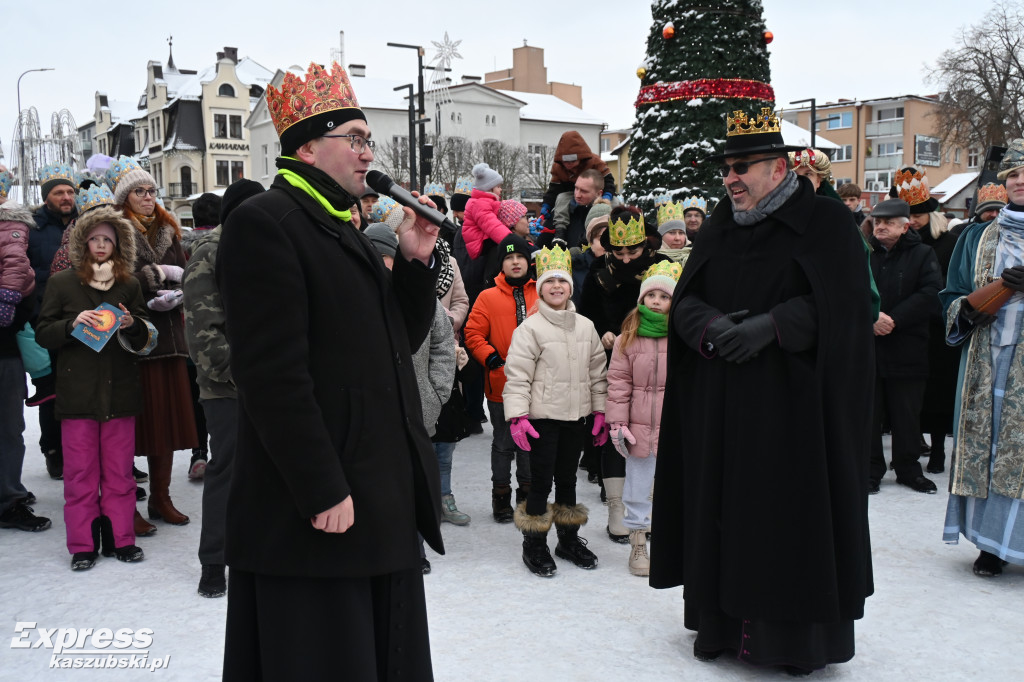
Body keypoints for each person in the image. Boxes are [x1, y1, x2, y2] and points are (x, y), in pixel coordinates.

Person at [216, 62, 444, 680]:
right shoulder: (267, 223)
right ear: (309, 148)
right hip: (317, 510)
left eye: (371, 140)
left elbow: (394, 345)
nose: (369, 153)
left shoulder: (342, 225)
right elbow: (271, 376)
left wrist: (417, 262)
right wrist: (321, 486)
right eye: (357, 138)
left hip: (374, 494)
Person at [651, 108, 874, 675]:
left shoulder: (826, 223)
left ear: (778, 168)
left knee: (786, 523)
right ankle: (722, 629)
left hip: (793, 417)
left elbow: (844, 307)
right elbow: (687, 298)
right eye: (726, 167)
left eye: (742, 166)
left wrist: (771, 328)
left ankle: (790, 643)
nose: (730, 177)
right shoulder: (721, 226)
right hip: (722, 411)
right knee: (724, 515)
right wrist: (707, 328)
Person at [35, 188, 156, 570]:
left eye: (108, 239)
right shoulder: (62, 284)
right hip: (78, 397)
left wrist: (132, 323)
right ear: (82, 243)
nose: (101, 245)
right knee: (81, 475)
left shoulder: (129, 285)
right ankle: (82, 545)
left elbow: (144, 336)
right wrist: (71, 325)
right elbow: (43, 333)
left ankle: (122, 539)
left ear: (117, 245)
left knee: (120, 475)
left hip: (119, 393)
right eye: (94, 239)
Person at [940, 138, 1024, 578]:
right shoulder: (977, 235)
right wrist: (969, 308)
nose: (1020, 181)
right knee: (987, 448)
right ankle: (990, 546)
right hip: (986, 359)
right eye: (1013, 175)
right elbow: (951, 296)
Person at [105, 156, 197, 537]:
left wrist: (178, 292)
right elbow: (109, 277)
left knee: (170, 423)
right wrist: (153, 278)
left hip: (170, 340)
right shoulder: (113, 230)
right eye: (139, 191)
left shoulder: (168, 229)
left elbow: (185, 271)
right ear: (125, 197)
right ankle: (125, 504)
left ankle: (161, 497)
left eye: (151, 190)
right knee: (134, 428)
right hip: (134, 340)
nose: (148, 197)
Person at [502, 245, 608, 577]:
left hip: (576, 418)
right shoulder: (530, 329)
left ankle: (568, 539)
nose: (557, 287)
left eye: (562, 282)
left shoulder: (585, 327)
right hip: (543, 420)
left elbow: (597, 373)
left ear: (570, 288)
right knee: (541, 482)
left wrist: (600, 411)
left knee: (567, 481)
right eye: (550, 282)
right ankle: (534, 543)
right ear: (540, 287)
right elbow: (517, 375)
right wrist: (517, 415)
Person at [182, 178, 265, 598]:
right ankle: (214, 560)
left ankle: (264, 553)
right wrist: (241, 373)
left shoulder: (268, 246)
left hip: (271, 382)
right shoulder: (210, 251)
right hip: (226, 386)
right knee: (227, 469)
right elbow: (203, 331)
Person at [579, 205, 672, 542]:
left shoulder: (663, 269)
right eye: (619, 251)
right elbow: (585, 311)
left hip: (658, 361)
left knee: (657, 434)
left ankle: (651, 505)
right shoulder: (598, 272)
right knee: (614, 430)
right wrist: (602, 329)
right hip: (613, 360)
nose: (627, 258)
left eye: (633, 251)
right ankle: (617, 505)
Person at [606, 261, 681, 576]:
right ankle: (638, 541)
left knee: (674, 486)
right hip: (637, 427)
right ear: (641, 299)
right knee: (637, 484)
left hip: (673, 426)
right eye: (651, 295)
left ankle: (673, 545)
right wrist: (618, 423)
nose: (656, 301)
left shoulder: (681, 338)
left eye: (664, 297)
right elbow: (618, 385)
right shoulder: (627, 339)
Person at [867, 198, 943, 494]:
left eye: (887, 222)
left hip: (908, 346)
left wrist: (894, 319)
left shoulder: (923, 254)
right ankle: (870, 469)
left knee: (906, 413)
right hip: (870, 345)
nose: (881, 227)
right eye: (877, 222)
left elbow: (931, 291)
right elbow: (849, 289)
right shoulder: (864, 253)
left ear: (904, 226)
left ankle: (908, 469)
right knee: (869, 414)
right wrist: (871, 317)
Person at [464, 234, 537, 522]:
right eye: (509, 258)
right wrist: (490, 357)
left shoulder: (541, 292)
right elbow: (472, 333)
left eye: (519, 256)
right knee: (504, 443)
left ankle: (529, 494)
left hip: (537, 384)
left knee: (530, 443)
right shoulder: (487, 296)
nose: (515, 262)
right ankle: (501, 495)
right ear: (501, 265)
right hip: (501, 384)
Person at [893, 167, 959, 473]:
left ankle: (938, 452)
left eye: (919, 213)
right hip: (906, 329)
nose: (914, 219)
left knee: (938, 392)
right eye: (909, 214)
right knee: (906, 396)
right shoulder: (897, 246)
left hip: (937, 329)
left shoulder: (946, 243)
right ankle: (909, 445)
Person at [0, 168, 52, 533]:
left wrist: (14, 297)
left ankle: (8, 496)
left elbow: (22, 272)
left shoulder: (12, 225)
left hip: (4, 344)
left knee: (7, 426)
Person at [28, 163, 79, 481]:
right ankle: (53, 451)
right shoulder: (33, 229)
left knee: (83, 386)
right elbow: (27, 274)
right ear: (47, 197)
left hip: (81, 319)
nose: (66, 197)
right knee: (51, 391)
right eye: (59, 192)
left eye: (70, 191)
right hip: (44, 321)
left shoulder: (85, 223)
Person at [181, 192, 221, 482]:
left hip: (184, 335)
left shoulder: (179, 245)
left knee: (196, 396)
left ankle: (198, 452)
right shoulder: (223, 247)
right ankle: (217, 454)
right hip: (216, 334)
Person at [538, 131, 615, 226]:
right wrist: (547, 205)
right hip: (572, 195)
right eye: (565, 161)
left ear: (581, 157)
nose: (569, 164)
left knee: (615, 202)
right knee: (561, 199)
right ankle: (560, 229)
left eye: (572, 161)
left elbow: (609, 181)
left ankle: (612, 224)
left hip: (596, 193)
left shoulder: (596, 162)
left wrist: (606, 197)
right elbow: (554, 190)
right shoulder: (558, 168)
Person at [546, 169, 604, 251]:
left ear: (599, 194)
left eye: (584, 191)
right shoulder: (559, 214)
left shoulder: (606, 220)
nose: (577, 195)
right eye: (576, 188)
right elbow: (541, 247)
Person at [655, 201, 692, 265]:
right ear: (661, 235)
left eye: (681, 233)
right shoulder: (652, 258)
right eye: (672, 232)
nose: (677, 238)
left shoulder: (694, 256)